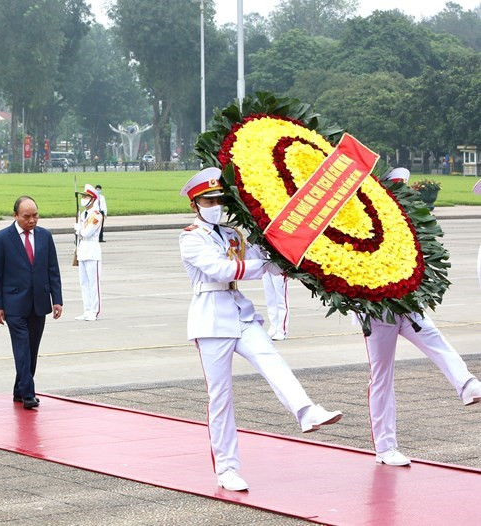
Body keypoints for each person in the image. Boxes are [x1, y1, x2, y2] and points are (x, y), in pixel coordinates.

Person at [178, 168, 342, 492]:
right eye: (208, 200)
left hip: (240, 312)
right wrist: (263, 264)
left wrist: (286, 250)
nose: (216, 205)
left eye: (219, 199)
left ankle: (306, 411)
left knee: (272, 359)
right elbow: (221, 268)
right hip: (211, 319)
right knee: (221, 397)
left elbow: (260, 256)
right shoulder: (190, 237)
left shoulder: (232, 234)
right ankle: (226, 469)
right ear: (195, 205)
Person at [359, 167, 481, 467]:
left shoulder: (406, 222)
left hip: (408, 304)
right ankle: (385, 447)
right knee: (381, 377)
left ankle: (466, 384)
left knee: (435, 338)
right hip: (378, 311)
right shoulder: (364, 224)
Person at [0, 196, 63, 409]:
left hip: (39, 302)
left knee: (31, 349)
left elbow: (53, 270)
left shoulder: (45, 236)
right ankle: (29, 393)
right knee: (21, 348)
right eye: (27, 216)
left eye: (35, 215)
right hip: (14, 303)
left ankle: (20, 390)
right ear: (16, 216)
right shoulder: (2, 238)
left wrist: (56, 299)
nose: (32, 220)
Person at [74, 184, 103, 322]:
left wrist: (78, 229)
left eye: (86, 196)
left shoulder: (96, 215)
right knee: (83, 282)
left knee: (93, 283)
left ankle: (95, 311)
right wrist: (80, 230)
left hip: (92, 250)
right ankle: (87, 309)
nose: (84, 199)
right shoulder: (83, 214)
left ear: (92, 199)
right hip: (83, 250)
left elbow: (86, 232)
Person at [263, 273, 289, 340]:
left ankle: (281, 330)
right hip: (266, 267)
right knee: (270, 300)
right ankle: (273, 327)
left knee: (281, 300)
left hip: (278, 268)